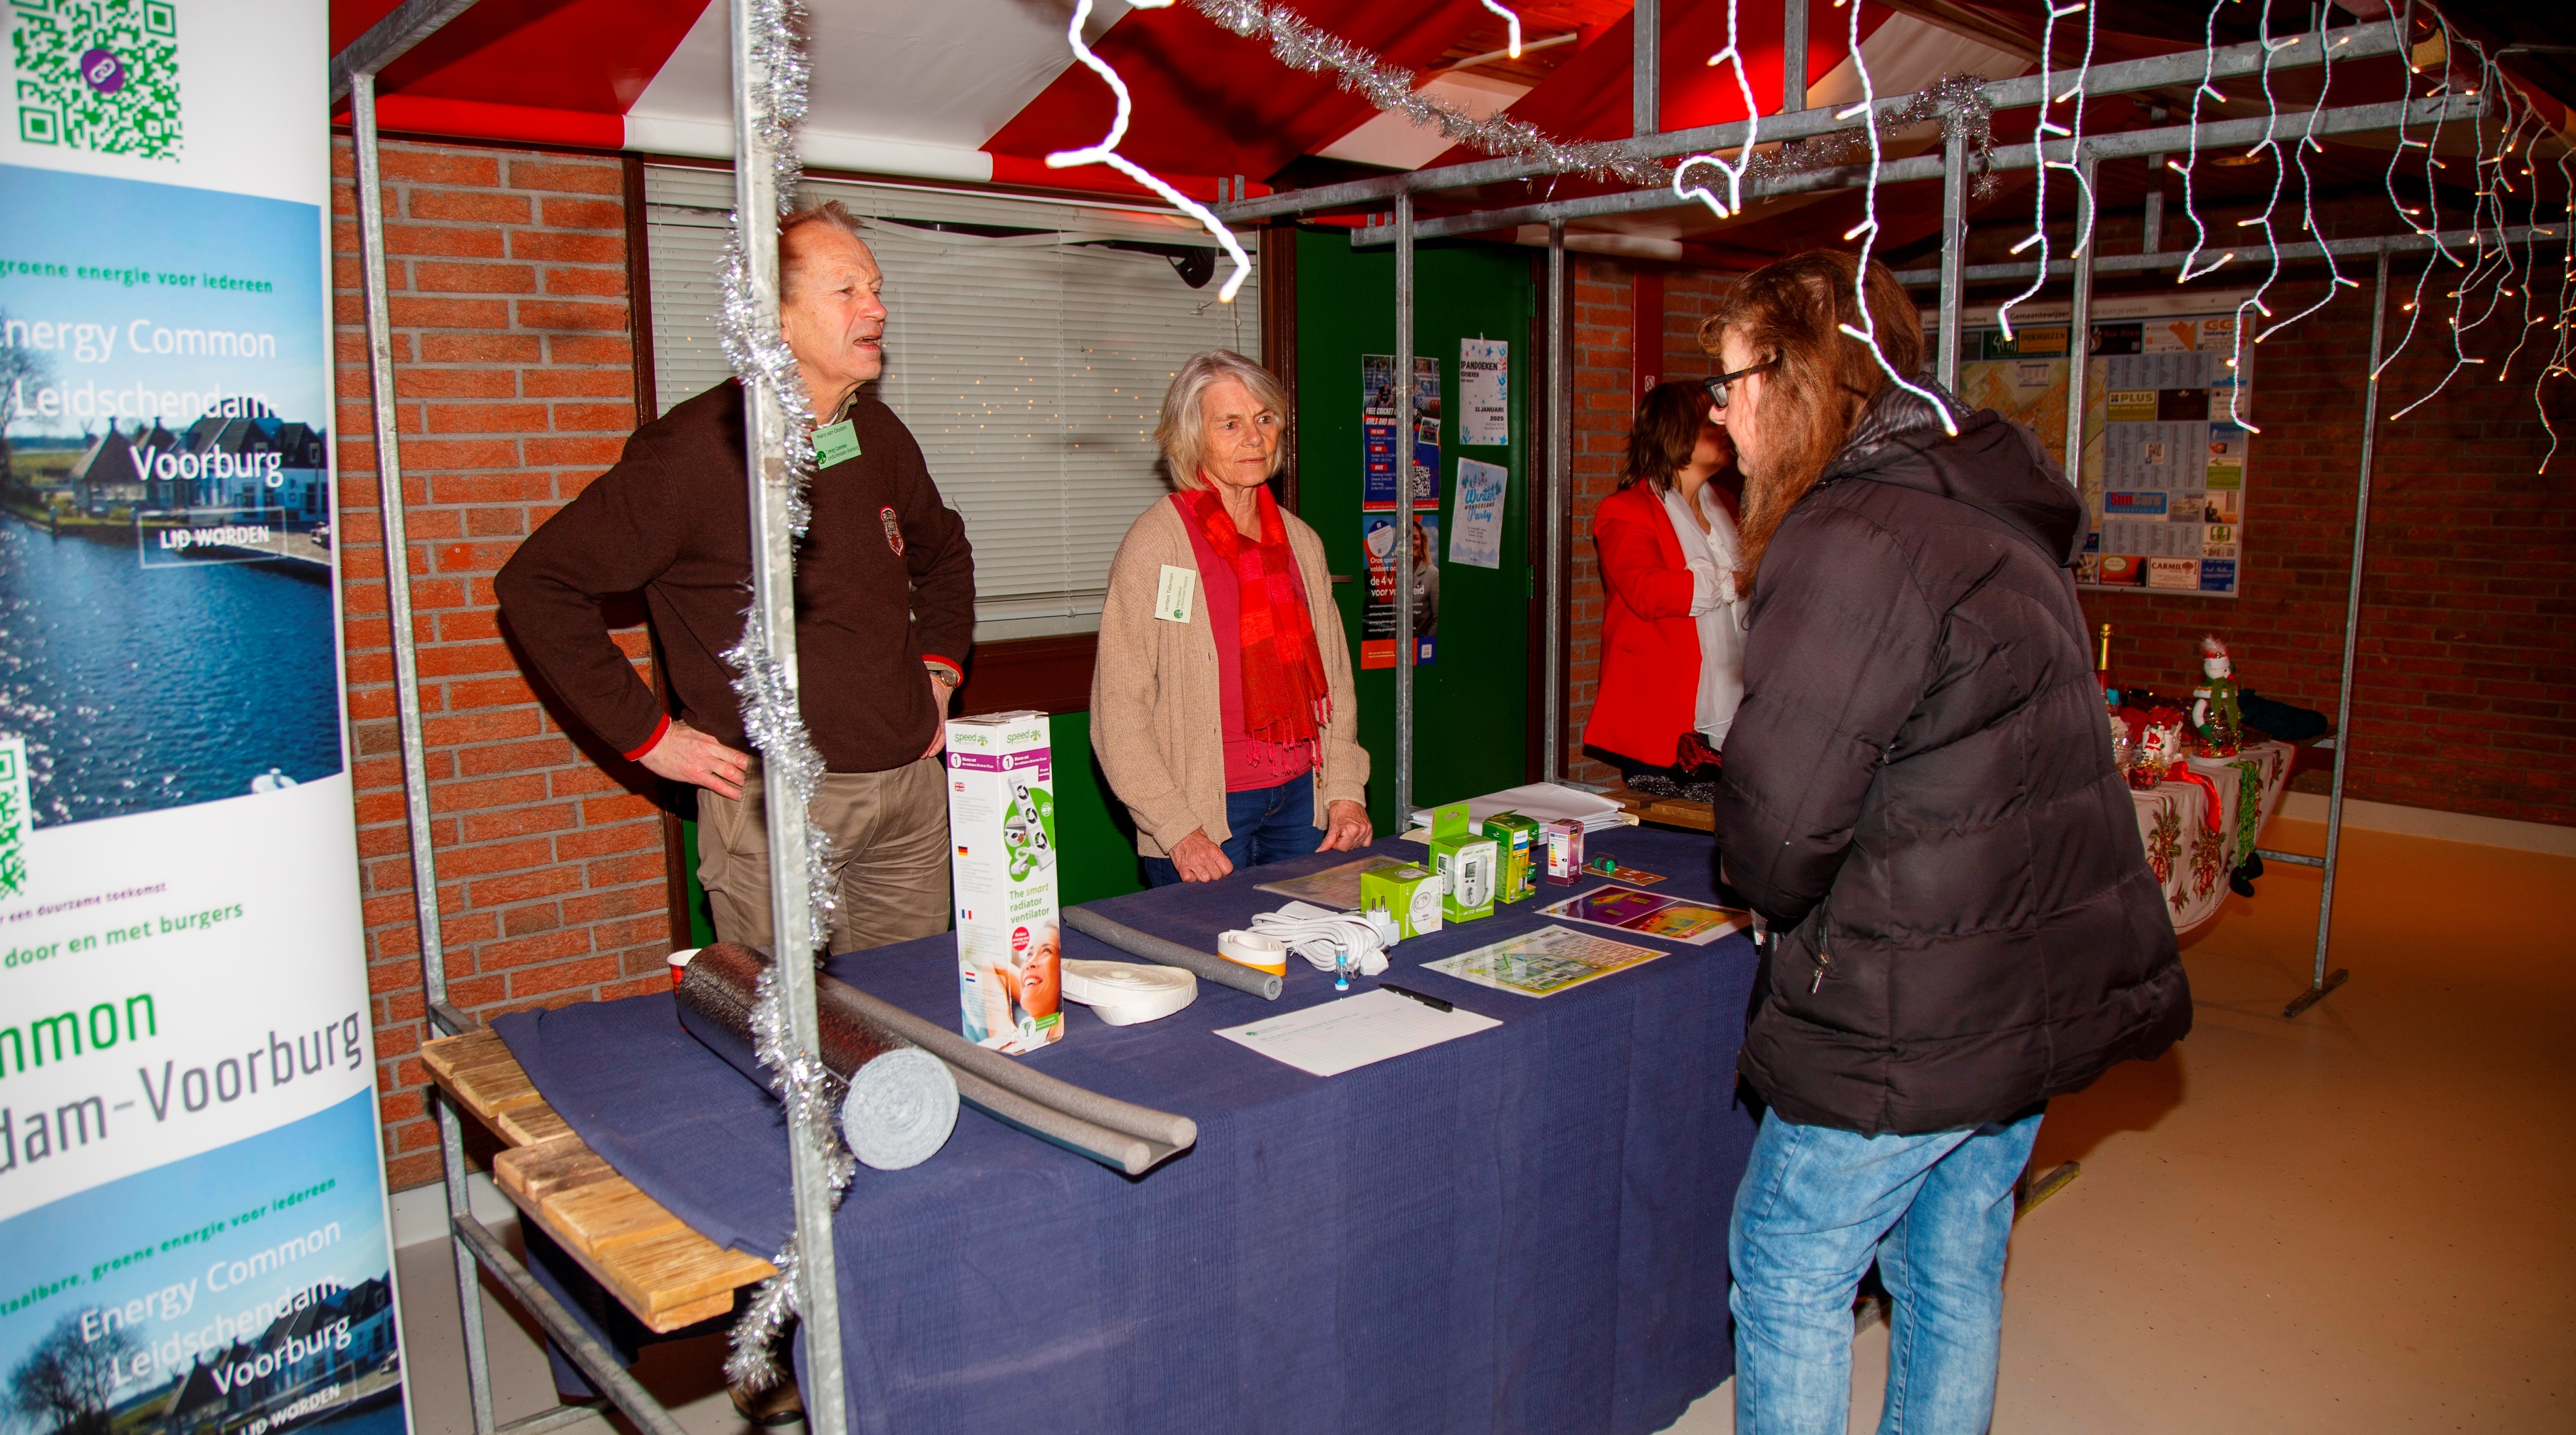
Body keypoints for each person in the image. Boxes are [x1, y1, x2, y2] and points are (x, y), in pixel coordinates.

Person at [1704, 250, 2190, 1434]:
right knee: (1949, 1265)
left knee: (1786, 1267)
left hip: (1907, 1006)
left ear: (1795, 378)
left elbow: (1779, 830)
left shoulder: (1852, 535)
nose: (1717, 416)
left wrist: (1759, 881)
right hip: (2020, 996)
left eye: (1727, 383)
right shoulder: (1985, 517)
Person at [496, 200, 973, 954]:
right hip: (776, 810)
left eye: (876, 288)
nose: (876, 309)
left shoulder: (875, 434)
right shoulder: (689, 456)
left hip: (910, 795)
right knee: (797, 1045)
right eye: (846, 290)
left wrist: (939, 670)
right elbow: (537, 584)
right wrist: (649, 736)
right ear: (774, 318)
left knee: (909, 1027)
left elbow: (943, 552)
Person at [1092, 350, 1371, 886]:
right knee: (1213, 964)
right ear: (1192, 437)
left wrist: (1345, 792)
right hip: (1203, 818)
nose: (1254, 437)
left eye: (1265, 419)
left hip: (1302, 807)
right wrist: (1176, 828)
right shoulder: (1157, 544)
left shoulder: (1301, 542)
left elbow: (1335, 682)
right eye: (1230, 423)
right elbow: (1118, 710)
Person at [1583, 379, 1747, 796]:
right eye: (1712, 422)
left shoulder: (1727, 503)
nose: (1726, 428)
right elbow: (1648, 591)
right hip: (1661, 717)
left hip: (1732, 703)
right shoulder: (1625, 511)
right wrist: (1733, 582)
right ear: (1677, 434)